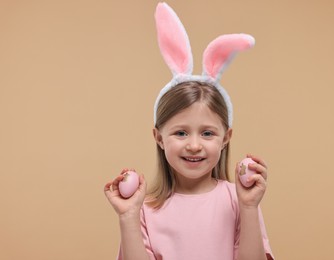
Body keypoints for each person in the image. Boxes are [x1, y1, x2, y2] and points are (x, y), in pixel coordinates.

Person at [104, 2, 274, 260]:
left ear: (225, 138)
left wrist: (249, 206)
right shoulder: (144, 208)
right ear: (159, 138)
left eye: (207, 133)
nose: (194, 145)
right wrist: (128, 216)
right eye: (181, 133)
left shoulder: (238, 199)